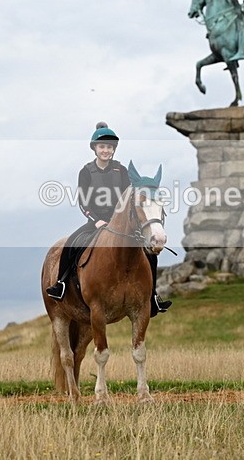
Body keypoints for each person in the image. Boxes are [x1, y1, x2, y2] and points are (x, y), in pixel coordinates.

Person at [45, 122, 172, 317]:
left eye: (109, 147)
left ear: (114, 149)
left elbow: (130, 197)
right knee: (72, 244)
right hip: (95, 221)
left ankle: (152, 296)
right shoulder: (86, 172)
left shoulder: (121, 171)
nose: (106, 150)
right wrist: (96, 220)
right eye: (102, 146)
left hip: (119, 222)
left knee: (149, 253)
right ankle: (61, 284)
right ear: (95, 148)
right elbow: (83, 201)